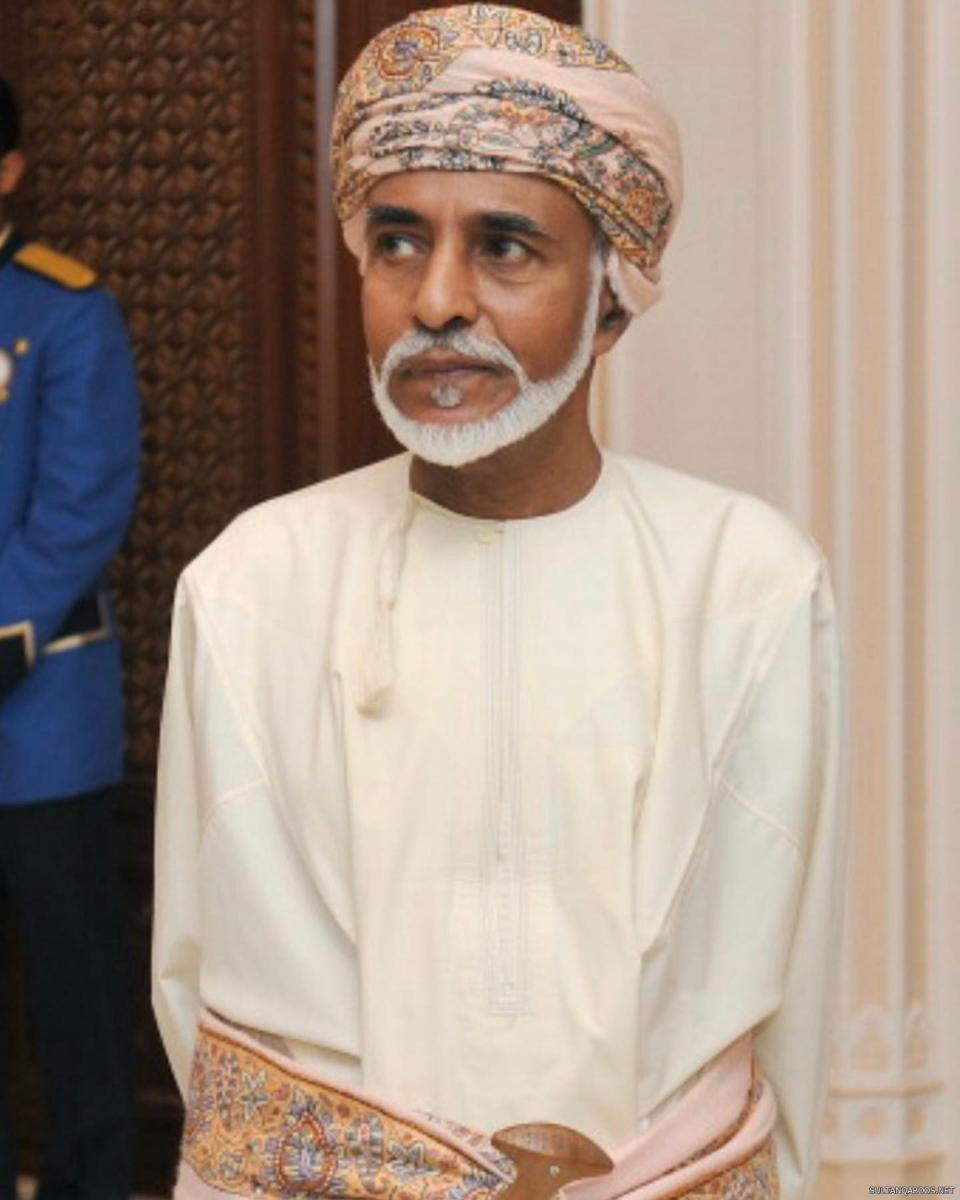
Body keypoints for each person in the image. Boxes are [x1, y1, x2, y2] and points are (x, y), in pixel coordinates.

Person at [152, 7, 845, 1200]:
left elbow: (785, 1004)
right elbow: (210, 1004)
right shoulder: (254, 584)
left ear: (612, 296)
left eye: (507, 247)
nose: (436, 302)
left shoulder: (749, 585)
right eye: (397, 243)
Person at [0, 75, 139, 1200]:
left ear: (7, 173)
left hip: (36, 710)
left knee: (74, 985)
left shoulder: (63, 307)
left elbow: (82, 501)